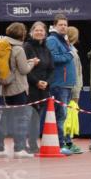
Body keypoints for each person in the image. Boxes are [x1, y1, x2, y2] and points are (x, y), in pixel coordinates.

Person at [0, 22, 39, 157]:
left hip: (5, 88)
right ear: (22, 34)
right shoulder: (18, 49)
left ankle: (0, 148)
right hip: (19, 88)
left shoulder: (3, 46)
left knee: (5, 117)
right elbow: (24, 69)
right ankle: (19, 149)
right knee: (21, 118)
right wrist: (32, 62)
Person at [46, 14, 77, 156]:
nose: (64, 27)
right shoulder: (52, 40)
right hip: (59, 84)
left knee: (63, 116)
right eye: (61, 24)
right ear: (55, 26)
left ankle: (65, 143)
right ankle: (60, 144)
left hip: (66, 84)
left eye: (65, 24)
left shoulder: (63, 40)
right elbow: (53, 58)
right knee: (61, 116)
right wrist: (69, 55)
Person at [24, 21, 54, 153]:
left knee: (37, 118)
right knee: (30, 117)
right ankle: (28, 144)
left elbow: (52, 69)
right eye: (36, 30)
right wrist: (36, 82)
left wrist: (47, 82)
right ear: (31, 32)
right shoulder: (27, 47)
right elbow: (25, 69)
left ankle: (33, 144)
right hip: (31, 88)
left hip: (44, 89)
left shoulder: (47, 50)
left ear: (45, 33)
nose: (39, 32)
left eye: (41, 30)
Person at [65, 26, 84, 154]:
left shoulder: (73, 50)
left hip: (74, 86)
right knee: (68, 117)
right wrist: (76, 90)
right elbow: (75, 73)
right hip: (72, 87)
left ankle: (68, 141)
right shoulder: (70, 52)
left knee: (69, 116)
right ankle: (67, 142)